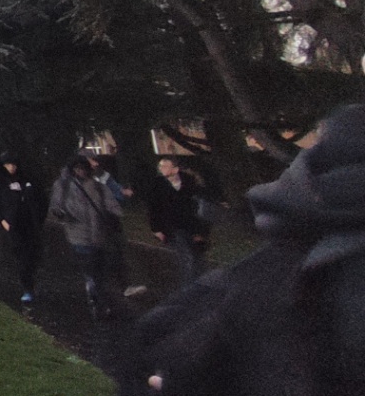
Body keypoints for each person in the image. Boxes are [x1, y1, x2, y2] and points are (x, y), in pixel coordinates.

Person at [122, 104, 365, 395]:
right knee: (186, 262)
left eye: (167, 165)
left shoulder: (254, 277)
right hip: (177, 234)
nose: (166, 169)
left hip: (195, 239)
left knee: (192, 267)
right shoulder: (260, 279)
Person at [51, 154, 127, 318]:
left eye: (83, 168)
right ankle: (98, 300)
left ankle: (97, 295)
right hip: (78, 235)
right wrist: (67, 215)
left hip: (99, 235)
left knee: (99, 269)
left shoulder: (97, 186)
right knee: (91, 268)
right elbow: (56, 207)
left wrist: (115, 215)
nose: (81, 171)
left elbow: (112, 205)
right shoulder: (63, 186)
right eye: (77, 168)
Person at [144, 156, 214, 287]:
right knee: (185, 257)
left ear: (175, 169)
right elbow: (153, 208)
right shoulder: (157, 185)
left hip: (193, 226)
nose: (161, 169)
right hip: (173, 227)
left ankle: (204, 284)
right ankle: (189, 288)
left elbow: (202, 206)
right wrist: (156, 229)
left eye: (165, 166)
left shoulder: (191, 183)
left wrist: (202, 230)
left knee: (198, 256)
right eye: (160, 166)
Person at [0, 151, 44, 303]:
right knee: (22, 256)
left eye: (13, 164)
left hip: (30, 223)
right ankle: (27, 287)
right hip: (13, 225)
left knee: (34, 254)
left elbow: (40, 197)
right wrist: (2, 220)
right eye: (8, 164)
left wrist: (38, 217)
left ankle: (32, 280)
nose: (11, 167)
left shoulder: (25, 178)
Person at [92, 152, 146, 298]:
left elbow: (118, 194)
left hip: (110, 221)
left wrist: (123, 193)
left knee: (116, 252)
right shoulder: (84, 180)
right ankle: (100, 287)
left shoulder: (106, 177)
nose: (94, 164)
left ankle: (122, 285)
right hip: (94, 222)